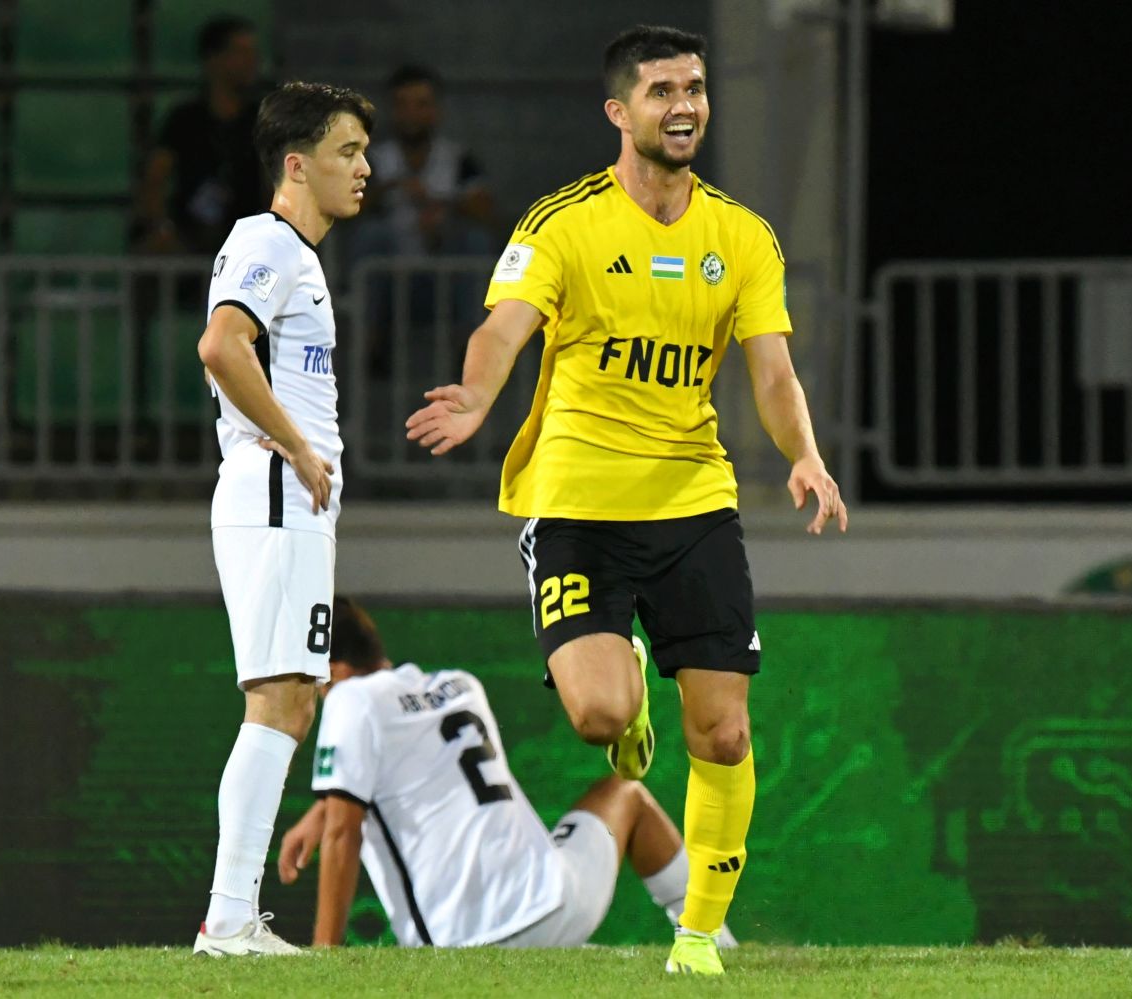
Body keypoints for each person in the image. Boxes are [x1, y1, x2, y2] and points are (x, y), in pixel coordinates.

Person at [404, 25, 847, 976]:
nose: (683, 105)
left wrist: (804, 454)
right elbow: (504, 328)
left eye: (694, 88)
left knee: (725, 729)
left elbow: (772, 372)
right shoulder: (564, 222)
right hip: (576, 505)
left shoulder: (741, 235)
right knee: (603, 718)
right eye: (661, 92)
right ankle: (628, 685)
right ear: (620, 111)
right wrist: (480, 395)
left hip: (693, 501)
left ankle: (697, 936)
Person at [276, 598, 735, 950]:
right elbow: (419, 768)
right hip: (557, 903)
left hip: (463, 940)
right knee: (626, 793)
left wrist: (326, 957)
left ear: (332, 670)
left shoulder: (348, 699)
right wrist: (321, 811)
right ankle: (711, 941)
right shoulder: (459, 687)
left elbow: (344, 833)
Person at [191, 81, 373, 957]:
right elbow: (222, 344)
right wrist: (300, 449)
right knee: (279, 698)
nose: (365, 168)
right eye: (348, 152)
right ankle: (228, 919)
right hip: (274, 489)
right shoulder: (269, 241)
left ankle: (233, 916)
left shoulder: (293, 251)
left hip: (281, 495)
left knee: (291, 697)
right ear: (296, 164)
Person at [351, 65, 496, 378]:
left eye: (422, 104)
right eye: (403, 104)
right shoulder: (374, 160)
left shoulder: (457, 159)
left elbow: (486, 211)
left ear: (436, 110)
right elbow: (347, 212)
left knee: (475, 241)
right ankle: (372, 344)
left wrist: (442, 205)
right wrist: (388, 190)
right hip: (391, 282)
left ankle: (469, 349)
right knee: (371, 235)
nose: (412, 114)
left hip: (441, 280)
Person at [137, 16, 269, 257]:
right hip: (188, 238)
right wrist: (161, 228)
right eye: (241, 52)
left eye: (253, 53)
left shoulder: (263, 120)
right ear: (213, 59)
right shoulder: (184, 118)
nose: (252, 61)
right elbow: (155, 179)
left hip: (247, 241)